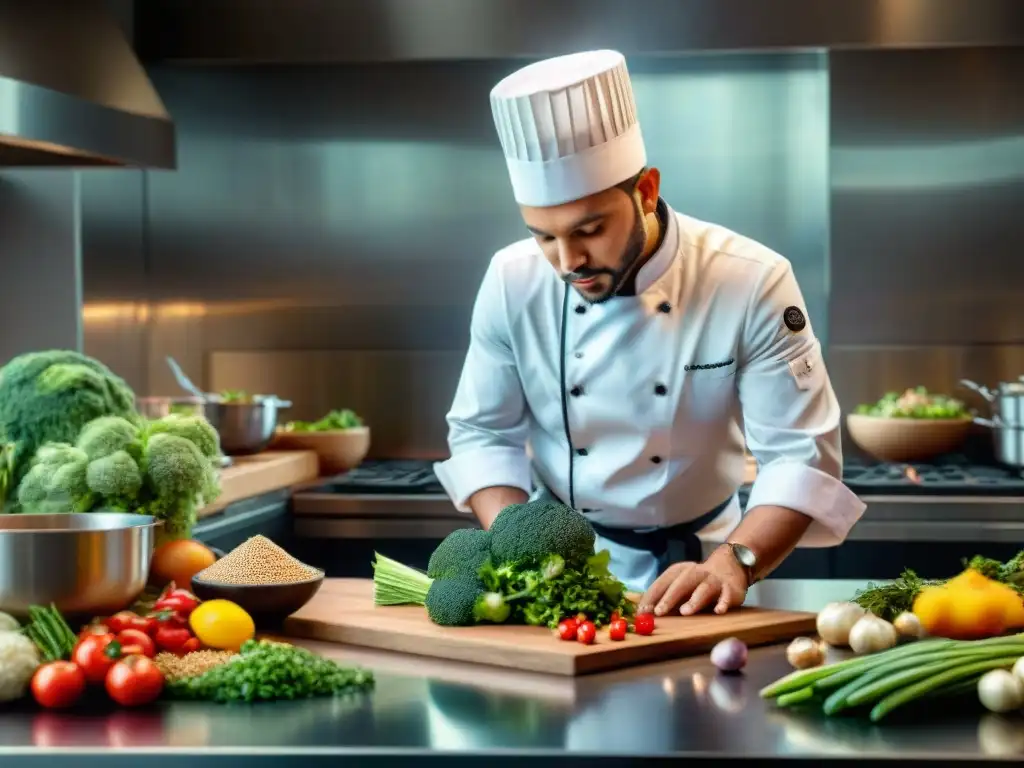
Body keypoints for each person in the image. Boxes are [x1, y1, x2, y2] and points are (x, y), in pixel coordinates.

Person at [433, 50, 864, 617]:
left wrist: (735, 564)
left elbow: (800, 458)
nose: (567, 261)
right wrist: (528, 552)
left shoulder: (750, 280)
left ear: (646, 192)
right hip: (559, 572)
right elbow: (483, 436)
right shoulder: (512, 280)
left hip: (708, 563)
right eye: (543, 237)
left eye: (589, 230)